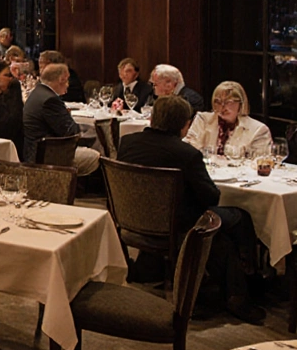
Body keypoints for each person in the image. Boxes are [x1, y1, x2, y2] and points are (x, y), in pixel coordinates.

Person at [117, 95, 264, 324]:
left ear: (154, 118)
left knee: (220, 234)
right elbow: (212, 196)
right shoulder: (186, 154)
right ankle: (248, 283)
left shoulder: (128, 143)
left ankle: (233, 286)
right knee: (239, 217)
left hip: (133, 221)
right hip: (178, 227)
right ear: (184, 124)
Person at [22, 64, 99, 175]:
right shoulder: (50, 100)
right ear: (61, 79)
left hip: (34, 151)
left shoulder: (37, 92)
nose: (68, 85)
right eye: (67, 80)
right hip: (48, 156)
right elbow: (71, 132)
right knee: (95, 156)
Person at [185, 81, 273, 158]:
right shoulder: (203, 120)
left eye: (228, 102)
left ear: (241, 104)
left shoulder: (259, 130)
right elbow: (189, 150)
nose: (223, 107)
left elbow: (261, 162)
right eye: (218, 102)